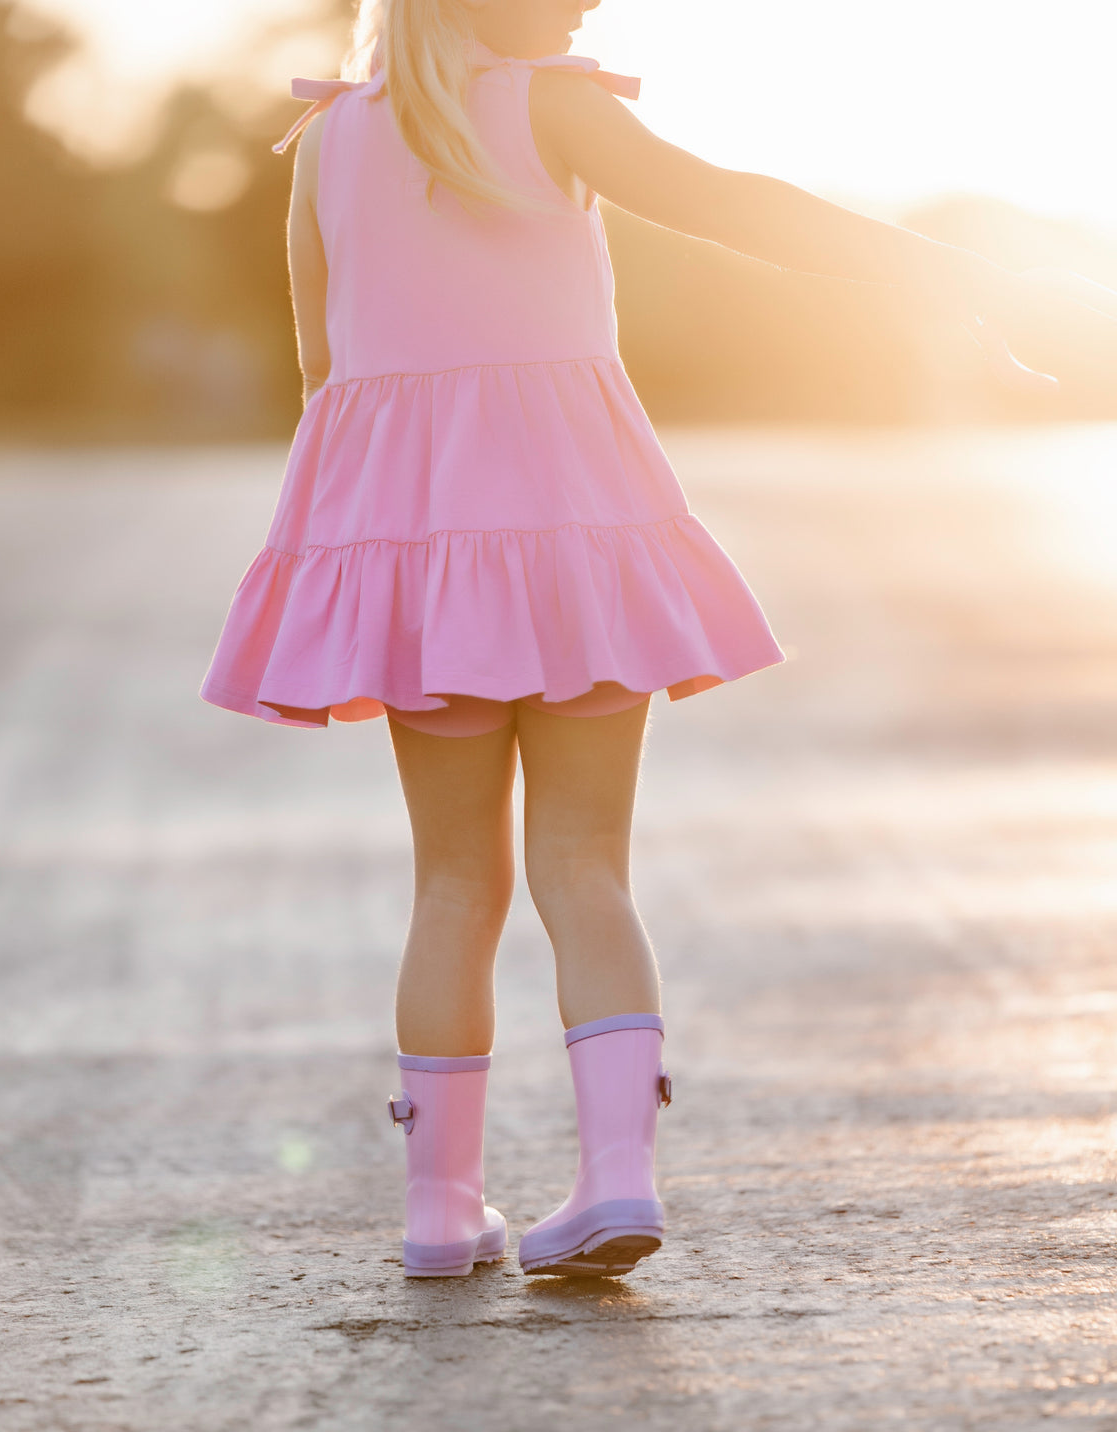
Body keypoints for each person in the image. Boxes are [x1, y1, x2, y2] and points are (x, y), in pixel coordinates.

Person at [200, 0, 1103, 1279]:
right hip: (578, 535)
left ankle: (439, 1214)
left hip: (418, 555)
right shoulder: (557, 104)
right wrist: (970, 278)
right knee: (587, 865)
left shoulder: (328, 142)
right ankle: (616, 1178)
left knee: (454, 881)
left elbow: (324, 381)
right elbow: (742, 206)